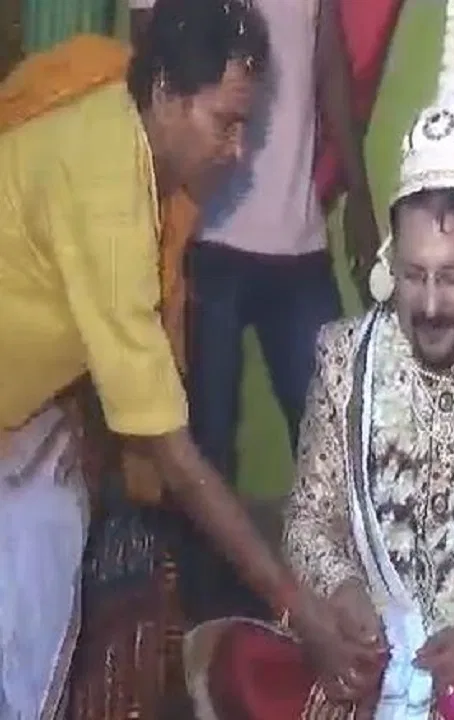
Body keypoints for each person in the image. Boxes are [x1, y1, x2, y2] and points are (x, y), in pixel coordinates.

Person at [185, 3, 454, 716]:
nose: (429, 305)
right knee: (245, 669)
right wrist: (344, 592)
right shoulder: (345, 360)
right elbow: (307, 522)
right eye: (413, 274)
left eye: (453, 278)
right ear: (389, 264)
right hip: (365, 664)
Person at [0, 2, 367, 716]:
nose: (237, 149)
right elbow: (174, 455)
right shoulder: (107, 188)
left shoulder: (121, 132)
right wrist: (296, 609)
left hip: (21, 418)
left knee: (48, 527)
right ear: (166, 90)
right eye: (225, 122)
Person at [130, 0, 381, 622]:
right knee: (205, 445)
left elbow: (329, 66)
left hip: (298, 237)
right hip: (203, 234)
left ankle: (356, 616)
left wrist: (359, 194)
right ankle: (207, 633)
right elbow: (151, 72)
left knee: (337, 440)